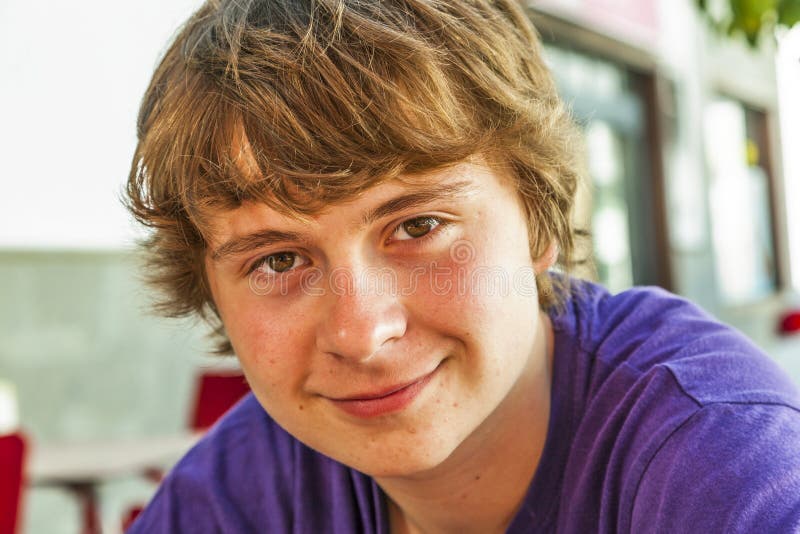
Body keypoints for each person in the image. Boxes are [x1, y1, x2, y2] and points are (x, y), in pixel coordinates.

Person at [124, 0, 800, 532]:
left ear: (538, 223)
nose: (362, 332)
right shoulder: (248, 489)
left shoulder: (721, 464)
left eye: (418, 226)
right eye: (278, 259)